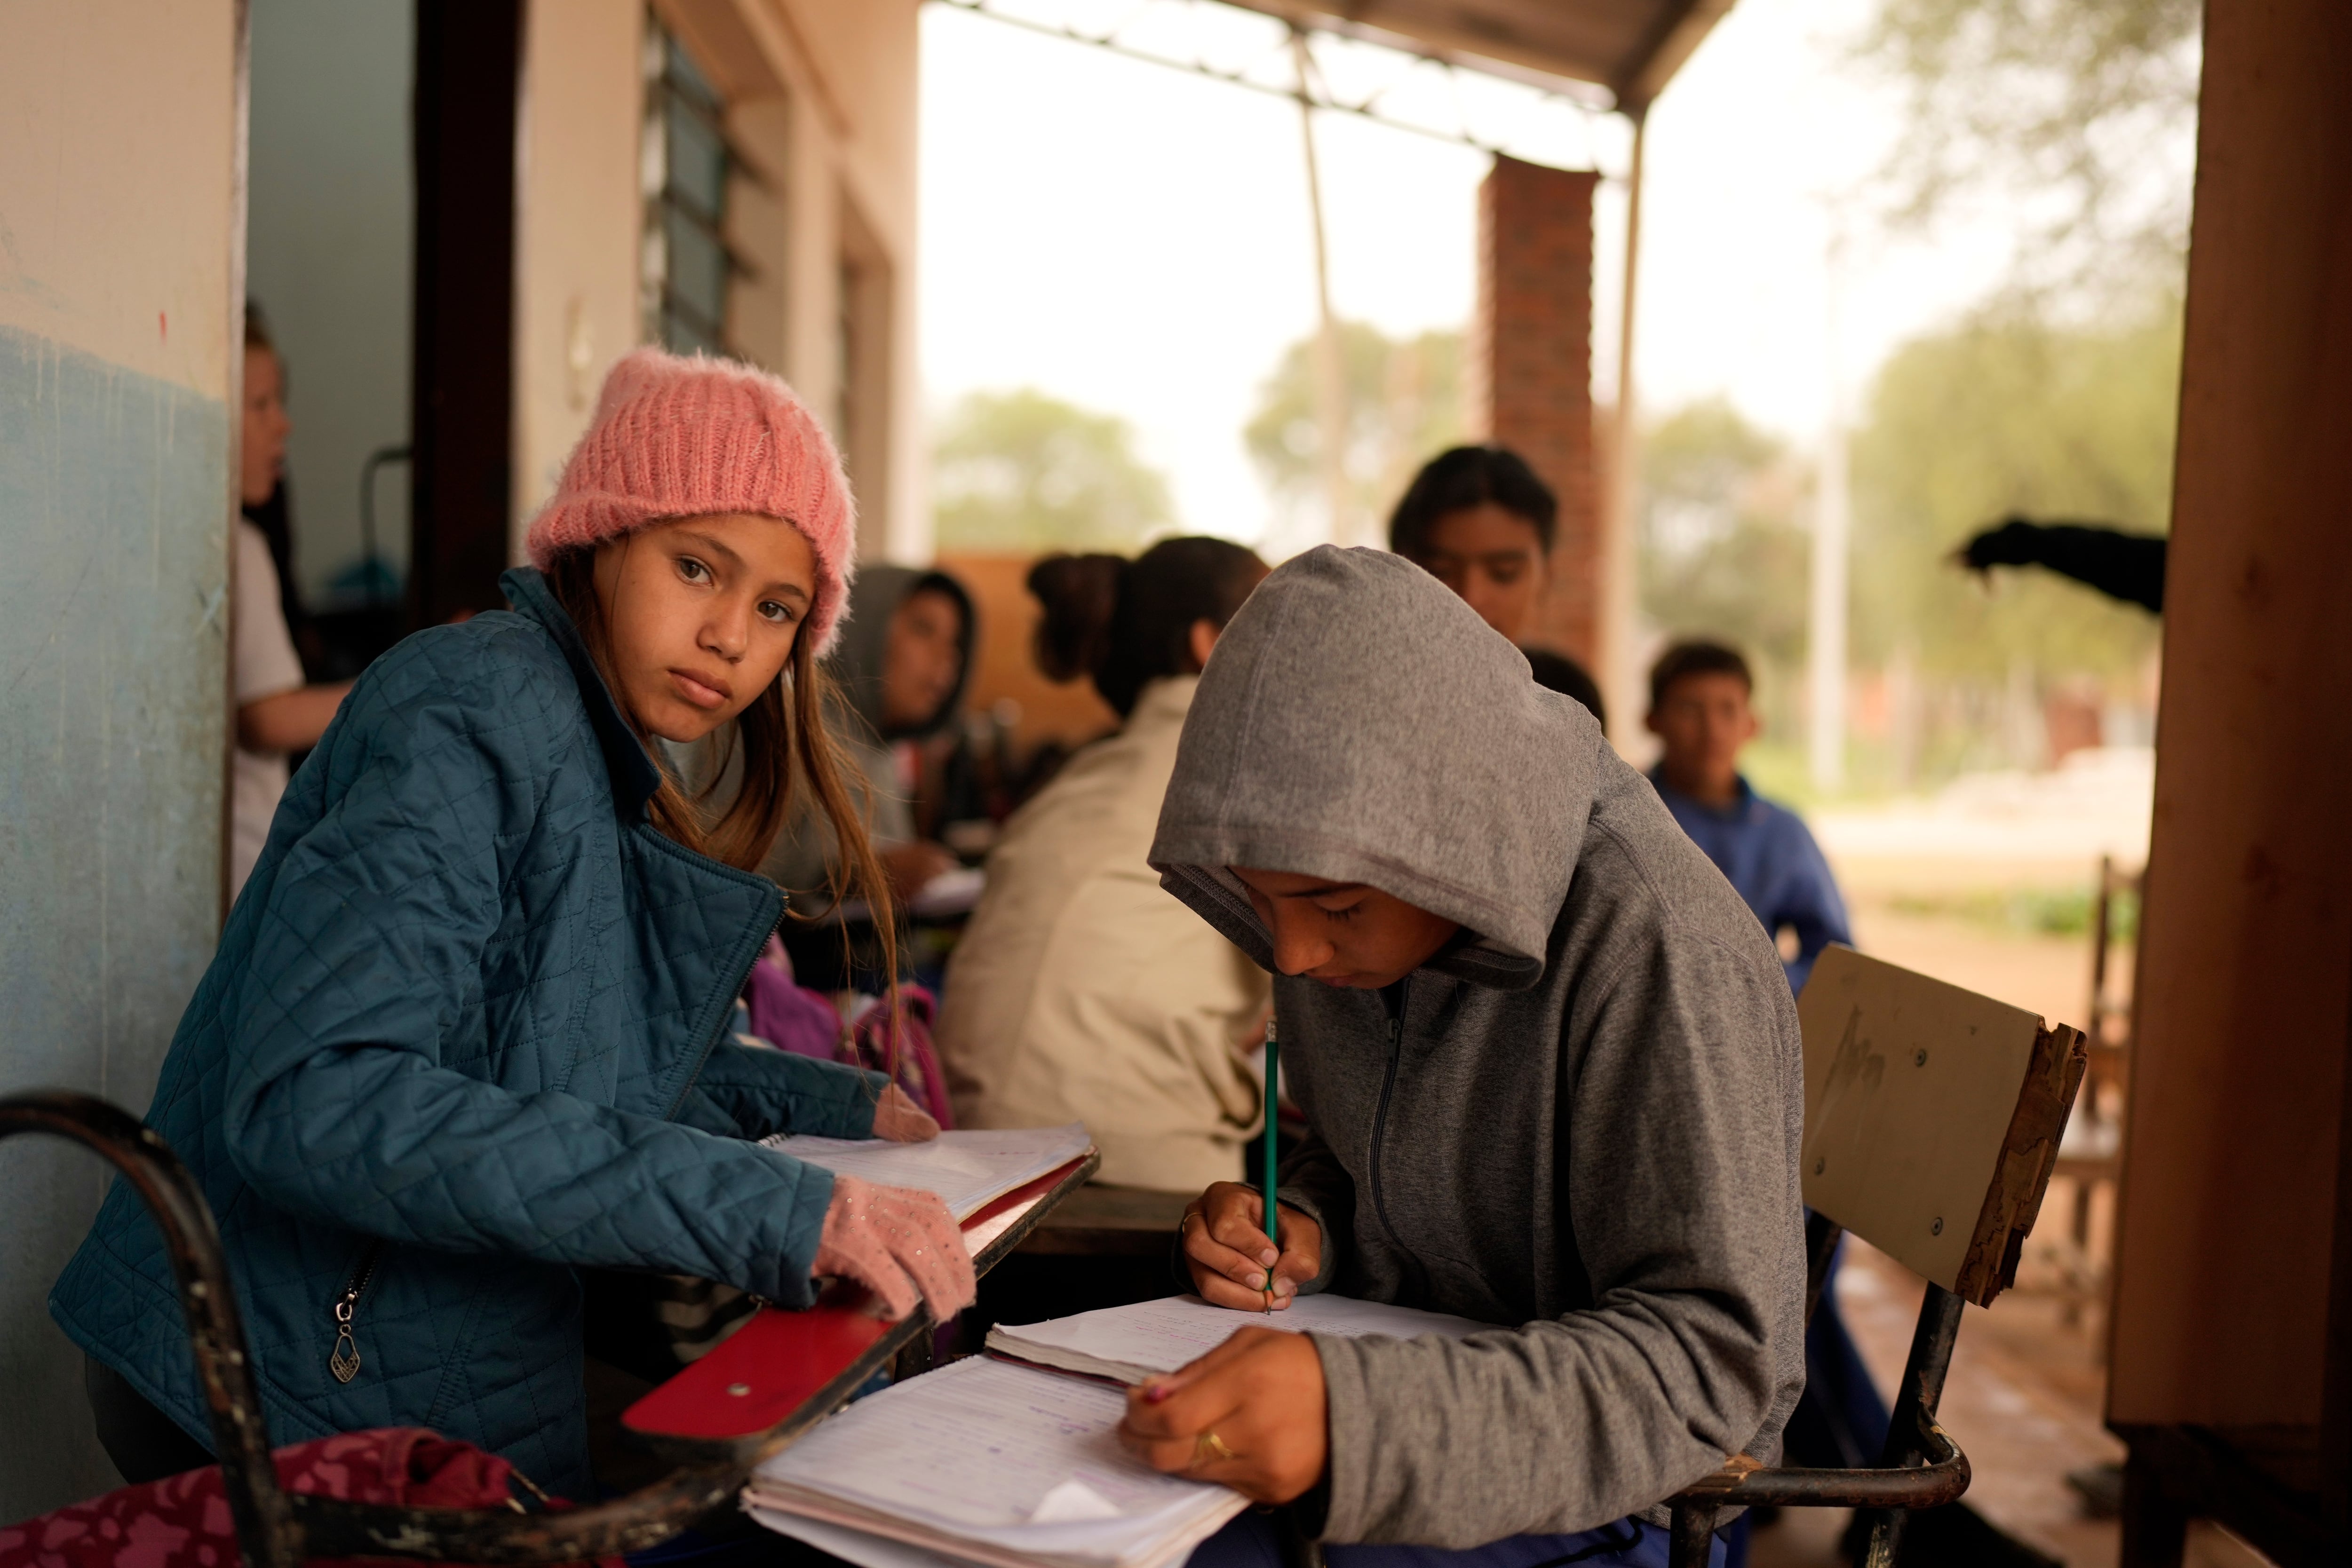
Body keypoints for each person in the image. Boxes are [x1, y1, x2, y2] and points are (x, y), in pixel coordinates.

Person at [50, 349, 975, 1497]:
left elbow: (570, 1060)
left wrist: (830, 1108)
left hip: (395, 1353)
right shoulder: (475, 705)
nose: (733, 634)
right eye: (698, 567)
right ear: (600, 537)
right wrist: (770, 1206)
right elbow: (323, 1096)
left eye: (777, 607)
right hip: (278, 1376)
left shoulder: (597, 752)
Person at [1117, 546, 1806, 1566]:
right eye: (1262, 906)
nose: (1294, 954)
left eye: (1335, 907)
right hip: (1429, 1375)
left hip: (1633, 1499)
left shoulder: (1662, 952)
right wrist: (1304, 1218)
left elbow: (1709, 1367)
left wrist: (1358, 1423)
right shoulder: (1354, 900)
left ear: (1457, 838)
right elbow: (1377, 1160)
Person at [936, 538, 1272, 1192]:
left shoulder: (1080, 777)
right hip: (1132, 1158)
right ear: (1210, 645)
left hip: (969, 1149)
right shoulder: (1249, 772)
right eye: (1280, 630)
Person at [1642, 641, 1850, 994]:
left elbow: (1835, 958)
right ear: (1652, 721)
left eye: (1728, 710)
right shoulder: (1626, 816)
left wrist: (1763, 991)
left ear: (1752, 724)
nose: (1712, 730)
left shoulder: (1783, 832)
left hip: (1753, 1028)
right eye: (1690, 709)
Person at [761, 565, 974, 909]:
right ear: (862, 624)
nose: (945, 660)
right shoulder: (783, 723)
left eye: (955, 644)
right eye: (923, 629)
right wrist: (858, 875)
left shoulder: (882, 748)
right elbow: (730, 869)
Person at [230, 308, 352, 896]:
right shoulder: (239, 548)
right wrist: (401, 685)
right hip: (240, 870)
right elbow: (268, 716)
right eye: (261, 405)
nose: (284, 425)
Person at [1390, 443, 1605, 713]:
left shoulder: (1569, 699)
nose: (1471, 597)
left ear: (1545, 579)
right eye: (1440, 571)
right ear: (1396, 570)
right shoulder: (1356, 685)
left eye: (1504, 573)